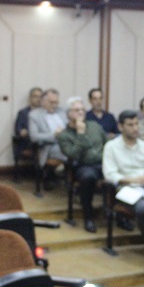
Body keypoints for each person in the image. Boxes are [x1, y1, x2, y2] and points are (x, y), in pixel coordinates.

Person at [103, 110, 144, 247]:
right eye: (130, 125)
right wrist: (132, 180)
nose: (135, 128)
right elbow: (110, 174)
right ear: (120, 127)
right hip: (125, 188)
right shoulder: (111, 147)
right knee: (143, 208)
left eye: (137, 124)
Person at [58, 97, 107, 233]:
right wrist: (80, 134)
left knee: (121, 173)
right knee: (88, 177)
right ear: (69, 114)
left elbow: (107, 145)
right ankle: (88, 217)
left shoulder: (94, 126)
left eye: (82, 110)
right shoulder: (64, 135)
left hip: (104, 164)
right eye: (76, 110)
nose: (81, 112)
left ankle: (120, 216)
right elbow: (73, 154)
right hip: (83, 166)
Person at [28, 88, 68, 167]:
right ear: (43, 101)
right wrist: (54, 135)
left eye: (56, 102)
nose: (55, 105)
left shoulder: (63, 111)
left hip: (69, 142)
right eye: (51, 102)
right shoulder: (34, 115)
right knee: (68, 151)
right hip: (51, 146)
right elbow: (33, 136)